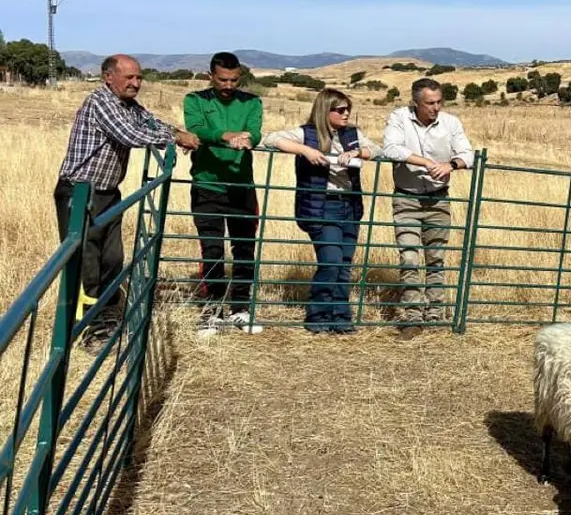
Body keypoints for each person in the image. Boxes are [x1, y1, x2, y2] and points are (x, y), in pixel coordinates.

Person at [54, 54, 199, 348]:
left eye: (139, 78)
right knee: (86, 263)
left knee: (112, 260)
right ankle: (89, 331)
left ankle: (107, 319)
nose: (135, 83)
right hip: (80, 194)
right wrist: (174, 138)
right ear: (109, 77)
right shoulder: (101, 102)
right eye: (129, 77)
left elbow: (148, 120)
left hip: (106, 193)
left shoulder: (127, 105)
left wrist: (174, 132)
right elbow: (129, 134)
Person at [263, 88, 434, 334]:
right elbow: (270, 139)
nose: (346, 114)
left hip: (350, 205)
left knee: (344, 265)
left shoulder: (352, 134)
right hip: (321, 205)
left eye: (348, 110)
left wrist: (357, 152)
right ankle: (318, 317)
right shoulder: (306, 133)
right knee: (330, 261)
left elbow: (377, 150)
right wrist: (307, 151)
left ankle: (341, 318)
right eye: (340, 110)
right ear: (325, 110)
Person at [382, 77, 475, 340]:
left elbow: (468, 153)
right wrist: (426, 162)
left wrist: (451, 165)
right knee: (409, 257)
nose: (436, 107)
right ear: (415, 103)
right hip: (406, 199)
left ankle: (435, 315)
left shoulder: (451, 123)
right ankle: (413, 318)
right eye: (429, 103)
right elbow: (391, 148)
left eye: (439, 102)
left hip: (438, 199)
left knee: (435, 258)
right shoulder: (399, 118)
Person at [183, 52, 264, 337]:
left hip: (242, 187)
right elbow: (196, 128)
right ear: (210, 76)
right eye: (222, 80)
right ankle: (213, 310)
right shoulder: (195, 100)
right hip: (207, 186)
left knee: (244, 249)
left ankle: (240, 308)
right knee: (212, 249)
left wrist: (249, 138)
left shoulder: (252, 102)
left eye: (233, 80)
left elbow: (255, 131)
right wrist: (226, 136)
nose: (228, 85)